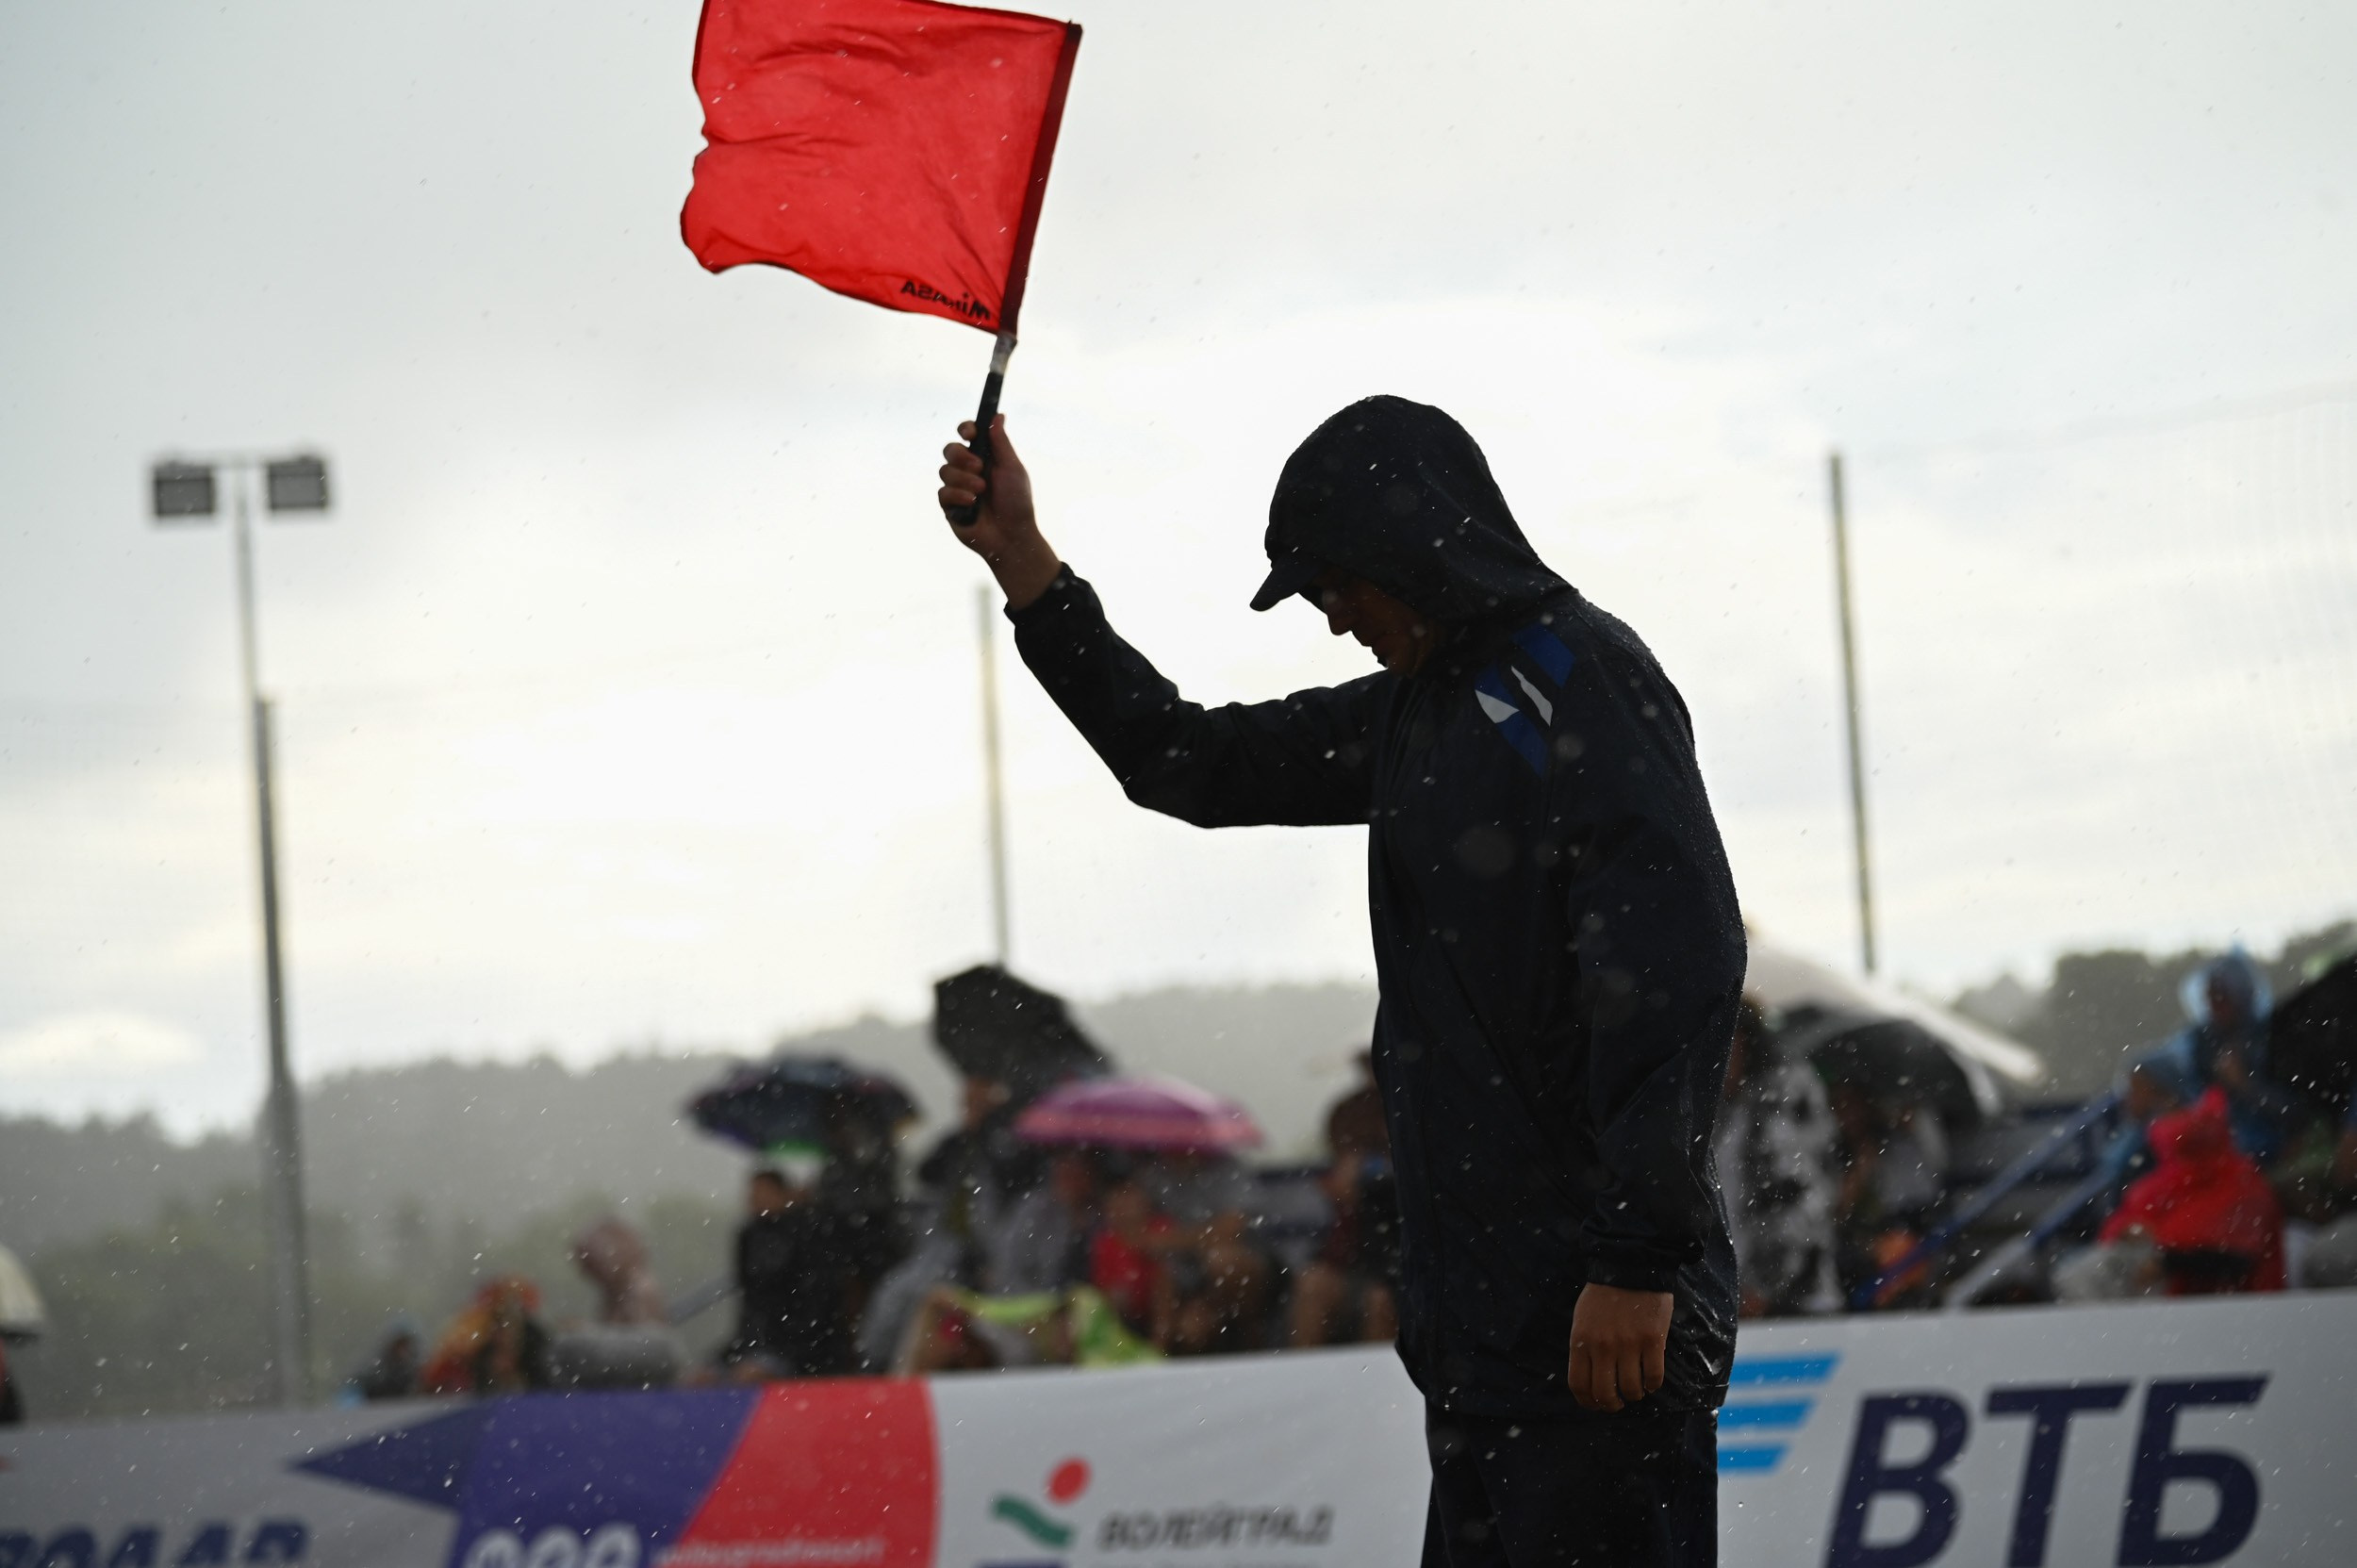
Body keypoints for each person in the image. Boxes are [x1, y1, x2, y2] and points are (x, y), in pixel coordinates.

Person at [938, 395, 1741, 1567]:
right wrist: (1025, 564)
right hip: (1485, 1344)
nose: (1330, 620)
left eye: (1331, 586)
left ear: (1404, 547)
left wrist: (1633, 1262)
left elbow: (1678, 973)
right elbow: (1184, 758)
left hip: (1597, 1335)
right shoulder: (1413, 709)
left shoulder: (1583, 680)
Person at [2057, 1087, 2284, 1298]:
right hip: (2165, 1296)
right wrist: (2135, 1234)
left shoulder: (2240, 1183)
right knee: (2081, 1271)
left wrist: (2166, 1261)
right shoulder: (2162, 1182)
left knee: (2095, 1274)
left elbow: (2235, 1258)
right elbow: (2122, 1228)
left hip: (2220, 1303)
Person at [1713, 1000, 1839, 1318]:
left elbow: (1799, 1197)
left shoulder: (1779, 1096)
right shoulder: (1730, 1105)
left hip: (1788, 1305)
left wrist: (1766, 1285)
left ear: (1742, 1039)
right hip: (1737, 1298)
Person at [720, 1166, 862, 1379]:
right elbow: (750, 1303)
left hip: (801, 1348)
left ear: (783, 1193)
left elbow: (817, 1306)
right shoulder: (749, 1236)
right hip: (759, 1343)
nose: (754, 1199)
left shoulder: (811, 1232)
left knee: (749, 1376)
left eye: (762, 1191)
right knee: (701, 1377)